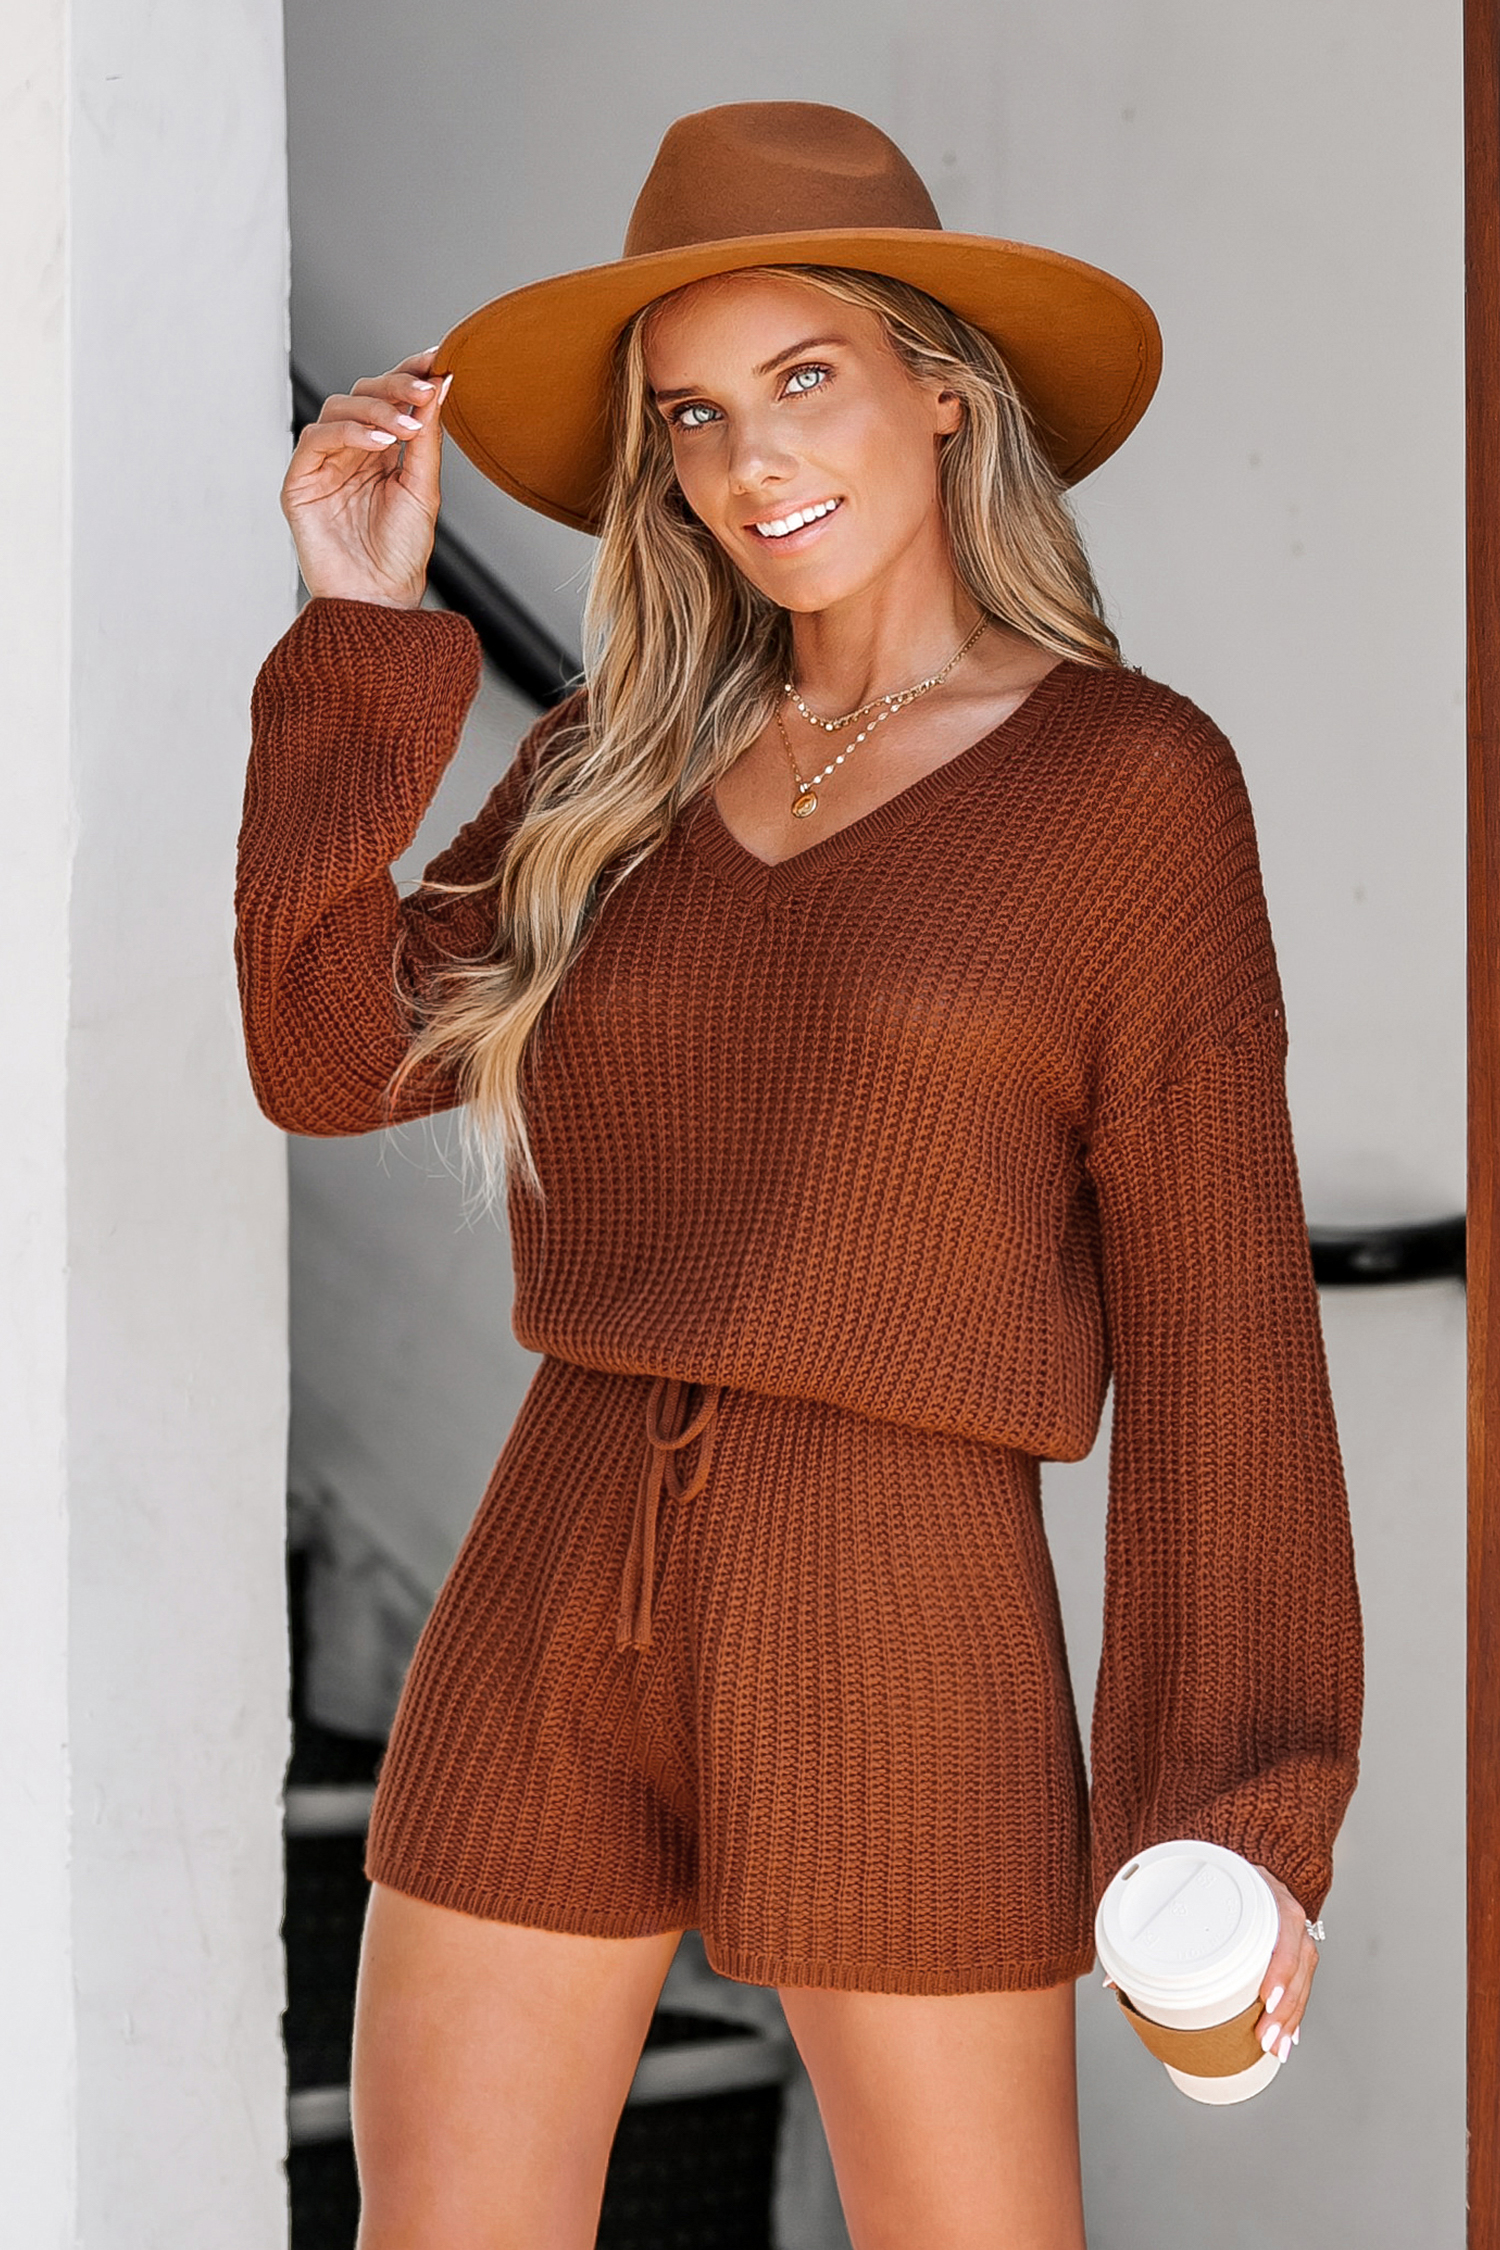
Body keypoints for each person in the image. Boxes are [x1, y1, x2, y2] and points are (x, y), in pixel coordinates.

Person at [237, 101, 1363, 2250]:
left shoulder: (1130, 787)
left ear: (944, 392)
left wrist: (1238, 1809)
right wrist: (360, 629)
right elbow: (320, 1048)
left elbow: (1222, 1329)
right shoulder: (617, 758)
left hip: (900, 1588)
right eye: (693, 417)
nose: (753, 465)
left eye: (805, 379)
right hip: (560, 1553)